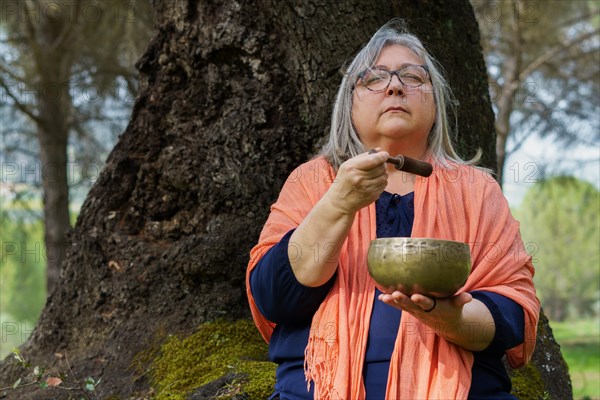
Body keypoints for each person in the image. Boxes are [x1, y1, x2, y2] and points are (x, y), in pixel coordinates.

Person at [246, 19, 540, 400]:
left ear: (435, 102)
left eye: (413, 77)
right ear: (348, 102)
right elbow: (274, 297)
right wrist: (338, 203)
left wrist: (453, 321)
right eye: (374, 78)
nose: (395, 86)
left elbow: (512, 310)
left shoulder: (476, 190)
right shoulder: (311, 182)